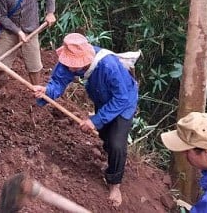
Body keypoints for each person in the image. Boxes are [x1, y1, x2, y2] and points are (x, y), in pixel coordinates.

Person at [32, 33, 138, 208]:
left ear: (84, 59)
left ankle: (114, 184)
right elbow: (57, 83)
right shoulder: (67, 63)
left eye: (73, 63)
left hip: (124, 101)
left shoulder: (108, 65)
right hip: (102, 98)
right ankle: (109, 152)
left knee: (117, 144)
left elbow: (121, 98)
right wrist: (45, 91)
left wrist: (95, 120)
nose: (69, 67)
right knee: (105, 135)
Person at [0, 0, 56, 86]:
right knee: (1, 62)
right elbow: (2, 16)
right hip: (10, 31)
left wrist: (50, 12)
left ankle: (37, 89)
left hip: (31, 31)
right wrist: (18, 31)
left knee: (34, 65)